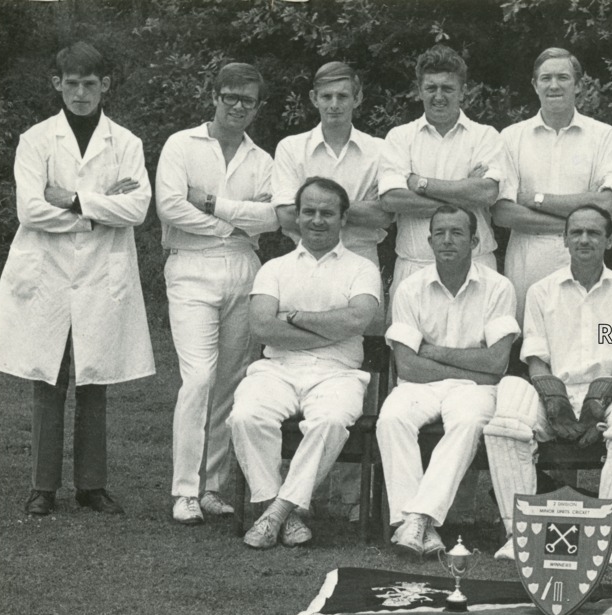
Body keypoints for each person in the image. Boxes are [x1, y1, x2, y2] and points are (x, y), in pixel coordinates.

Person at [0, 41, 154, 516]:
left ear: (105, 86)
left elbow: (138, 208)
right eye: (72, 83)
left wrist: (72, 198)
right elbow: (30, 209)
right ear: (57, 83)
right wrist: (98, 208)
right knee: (48, 375)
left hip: (100, 274)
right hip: (48, 272)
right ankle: (43, 486)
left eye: (90, 84)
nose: (81, 93)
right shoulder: (36, 139)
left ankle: (91, 485)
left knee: (93, 376)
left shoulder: (125, 143)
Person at [483, 206, 612, 565]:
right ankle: (518, 534)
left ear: (610, 240)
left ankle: (610, 540)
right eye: (576, 232)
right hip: (554, 398)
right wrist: (552, 397)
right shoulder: (540, 291)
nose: (584, 239)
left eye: (594, 233)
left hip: (608, 398)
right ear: (564, 238)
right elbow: (535, 358)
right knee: (506, 416)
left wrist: (600, 400)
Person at [229, 177, 382, 549]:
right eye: (308, 212)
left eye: (327, 213)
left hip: (338, 373)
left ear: (343, 218)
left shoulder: (362, 268)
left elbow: (358, 320)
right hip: (276, 369)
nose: (317, 220)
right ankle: (285, 511)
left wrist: (293, 317)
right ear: (295, 217)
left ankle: (276, 512)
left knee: (329, 422)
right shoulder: (275, 267)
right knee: (245, 416)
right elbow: (262, 326)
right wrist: (332, 325)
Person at [156, 62, 279, 525]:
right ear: (214, 96)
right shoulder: (181, 145)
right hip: (189, 268)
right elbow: (169, 207)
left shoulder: (262, 159)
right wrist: (231, 224)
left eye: (247, 100)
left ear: (257, 107)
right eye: (229, 96)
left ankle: (211, 486)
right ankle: (184, 489)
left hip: (245, 269)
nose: (237, 106)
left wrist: (208, 204)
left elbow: (272, 218)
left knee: (231, 380)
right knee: (199, 378)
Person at [376, 205, 518, 556]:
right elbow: (406, 366)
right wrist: (473, 365)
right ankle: (414, 523)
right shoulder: (410, 288)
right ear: (429, 241)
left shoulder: (499, 287)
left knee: (468, 423)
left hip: (475, 391)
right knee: (392, 418)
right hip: (419, 386)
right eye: (439, 233)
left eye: (456, 233)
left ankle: (417, 520)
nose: (447, 240)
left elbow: (497, 363)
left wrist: (436, 353)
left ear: (474, 240)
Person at [493, 47, 612, 319]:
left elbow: (607, 202)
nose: (554, 85)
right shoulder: (510, 137)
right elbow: (503, 212)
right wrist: (580, 223)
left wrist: (534, 200)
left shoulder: (604, 136)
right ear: (534, 85)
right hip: (527, 269)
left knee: (591, 345)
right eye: (546, 78)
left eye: (563, 77)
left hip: (586, 267)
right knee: (530, 350)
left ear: (578, 85)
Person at [380, 44, 504, 291]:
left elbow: (487, 193)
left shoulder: (485, 136)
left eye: (447, 88)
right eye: (431, 88)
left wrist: (420, 184)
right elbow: (392, 200)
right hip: (414, 267)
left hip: (477, 266)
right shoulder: (399, 137)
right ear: (419, 91)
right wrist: (464, 197)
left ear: (462, 92)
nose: (439, 96)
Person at [274, 61, 390, 265]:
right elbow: (285, 215)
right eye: (326, 96)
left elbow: (384, 216)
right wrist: (358, 209)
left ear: (357, 98)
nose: (334, 104)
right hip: (307, 260)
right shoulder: (291, 148)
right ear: (314, 98)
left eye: (343, 96)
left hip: (362, 258)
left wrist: (310, 208)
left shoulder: (379, 150)